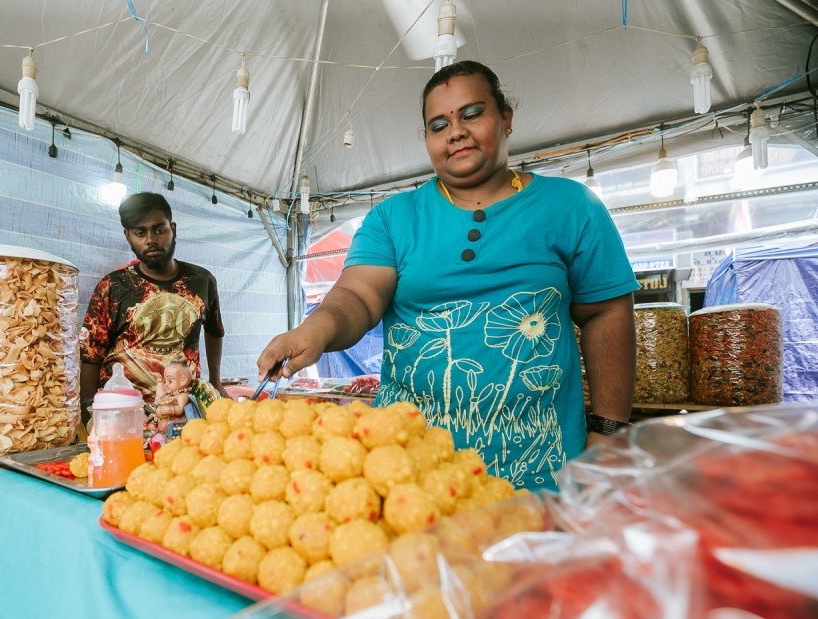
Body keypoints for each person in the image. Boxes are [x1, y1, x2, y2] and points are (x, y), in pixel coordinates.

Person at [257, 61, 639, 491]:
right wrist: (317, 329)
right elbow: (358, 297)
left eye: (472, 113)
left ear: (506, 118)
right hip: (409, 475)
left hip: (540, 472)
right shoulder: (393, 218)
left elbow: (607, 314)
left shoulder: (572, 207)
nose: (455, 131)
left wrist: (607, 434)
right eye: (438, 124)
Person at [81, 192, 228, 426]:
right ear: (127, 236)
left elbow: (215, 329)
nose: (151, 239)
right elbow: (90, 354)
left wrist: (216, 381)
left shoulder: (202, 281)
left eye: (159, 230)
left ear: (174, 229)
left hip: (181, 411)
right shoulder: (112, 287)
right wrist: (88, 411)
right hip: (124, 413)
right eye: (140, 233)